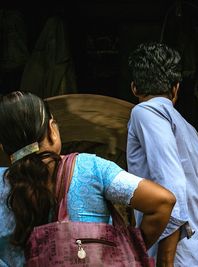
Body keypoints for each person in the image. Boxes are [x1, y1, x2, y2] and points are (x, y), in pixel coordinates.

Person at [0, 91, 176, 266]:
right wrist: (129, 250)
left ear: (5, 149)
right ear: (52, 130)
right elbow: (163, 202)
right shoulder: (90, 168)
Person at [127, 42, 198, 267]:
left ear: (135, 88)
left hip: (178, 257)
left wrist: (164, 262)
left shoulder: (144, 112)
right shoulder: (189, 129)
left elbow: (172, 189)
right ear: (176, 89)